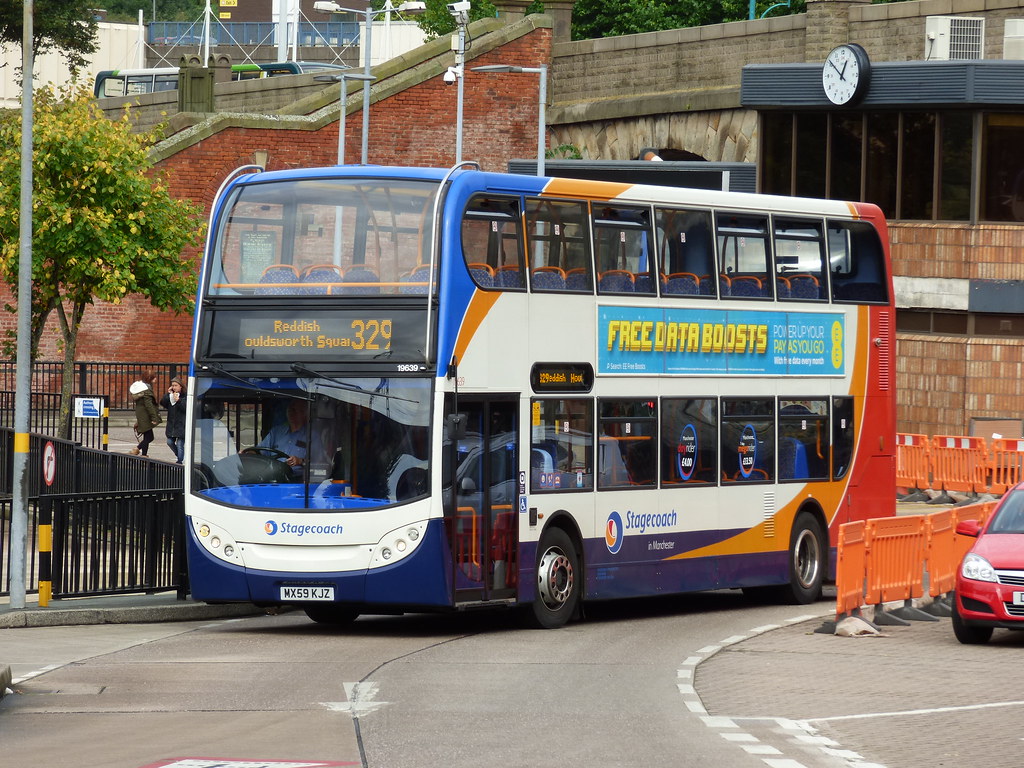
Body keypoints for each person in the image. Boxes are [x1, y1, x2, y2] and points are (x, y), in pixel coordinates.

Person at [246, 399, 309, 473]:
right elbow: (260, 451)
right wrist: (248, 453)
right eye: (289, 409)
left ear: (304, 414)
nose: (291, 413)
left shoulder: (312, 435)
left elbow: (320, 463)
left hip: (299, 480)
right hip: (273, 477)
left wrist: (300, 461)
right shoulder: (276, 432)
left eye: (295, 410)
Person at [129, 371, 161, 457]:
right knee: (150, 437)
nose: (156, 379)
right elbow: (149, 405)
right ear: (149, 379)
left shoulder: (140, 388)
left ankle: (144, 454)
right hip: (145, 415)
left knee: (147, 435)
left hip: (141, 414)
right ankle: (136, 449)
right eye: (154, 377)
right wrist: (154, 417)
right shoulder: (146, 389)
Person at [160, 376, 186, 464]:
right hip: (172, 424)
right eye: (173, 385)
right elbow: (163, 403)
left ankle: (179, 461)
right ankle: (180, 455)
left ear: (180, 386)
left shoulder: (184, 397)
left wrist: (178, 401)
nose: (174, 387)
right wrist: (168, 394)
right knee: (170, 442)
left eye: (176, 385)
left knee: (180, 444)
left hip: (181, 424)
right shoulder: (171, 397)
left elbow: (185, 408)